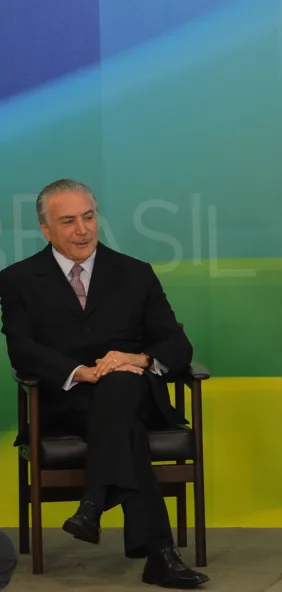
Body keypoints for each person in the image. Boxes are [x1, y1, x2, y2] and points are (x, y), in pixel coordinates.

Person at [0, 179, 209, 589]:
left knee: (121, 385)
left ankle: (94, 500)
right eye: (68, 221)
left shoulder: (134, 273)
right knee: (122, 421)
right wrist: (81, 372)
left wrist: (138, 359)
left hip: (137, 394)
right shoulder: (18, 279)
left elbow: (176, 344)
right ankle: (157, 554)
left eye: (89, 217)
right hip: (69, 403)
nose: (82, 230)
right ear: (46, 229)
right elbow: (22, 350)